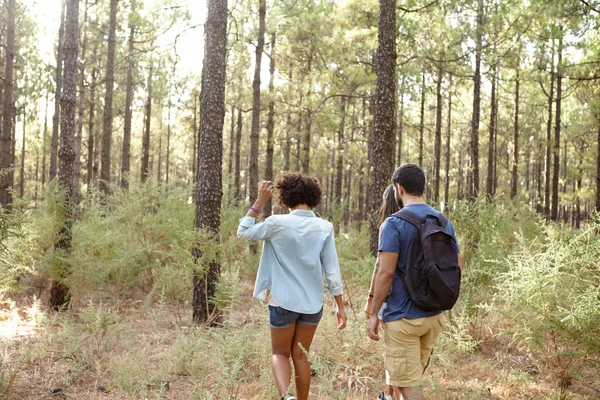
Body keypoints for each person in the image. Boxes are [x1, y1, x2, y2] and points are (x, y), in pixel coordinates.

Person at [237, 173, 347, 400]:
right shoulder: (324, 227)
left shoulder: (276, 223)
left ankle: (287, 397)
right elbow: (332, 270)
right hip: (312, 304)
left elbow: (243, 232)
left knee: (279, 353)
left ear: (284, 197)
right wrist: (340, 306)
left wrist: (259, 202)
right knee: (302, 356)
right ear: (314, 197)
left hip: (283, 301)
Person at [367, 164, 462, 400]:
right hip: (434, 316)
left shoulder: (393, 223)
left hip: (404, 319)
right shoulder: (442, 220)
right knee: (409, 380)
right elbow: (458, 265)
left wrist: (373, 313)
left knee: (409, 389)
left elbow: (385, 273)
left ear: (399, 188)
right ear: (422, 187)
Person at [364, 184, 402, 400]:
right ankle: (389, 394)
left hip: (396, 302)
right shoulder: (420, 223)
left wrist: (372, 305)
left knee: (396, 358)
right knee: (404, 361)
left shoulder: (390, 226)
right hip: (424, 305)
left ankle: (389, 395)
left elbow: (382, 270)